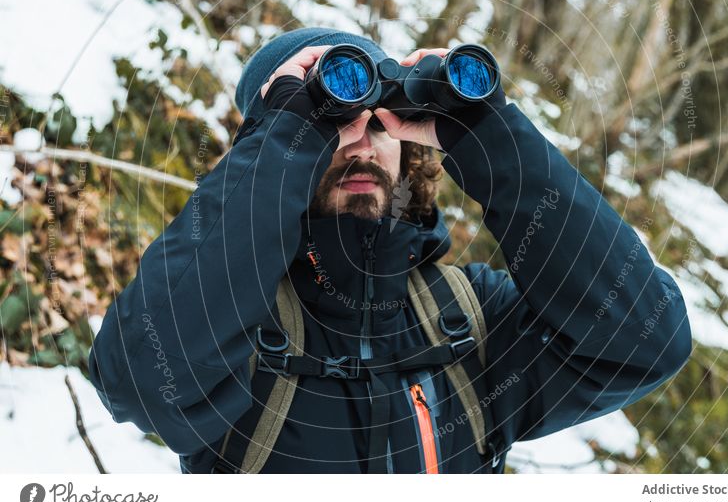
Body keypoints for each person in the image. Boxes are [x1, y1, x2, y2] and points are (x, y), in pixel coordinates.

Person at [88, 27, 692, 474]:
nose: (359, 145)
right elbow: (140, 381)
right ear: (272, 148)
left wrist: (492, 136)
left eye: (378, 125)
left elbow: (646, 337)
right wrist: (287, 131)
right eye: (329, 127)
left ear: (409, 146)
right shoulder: (233, 330)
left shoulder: (469, 319)